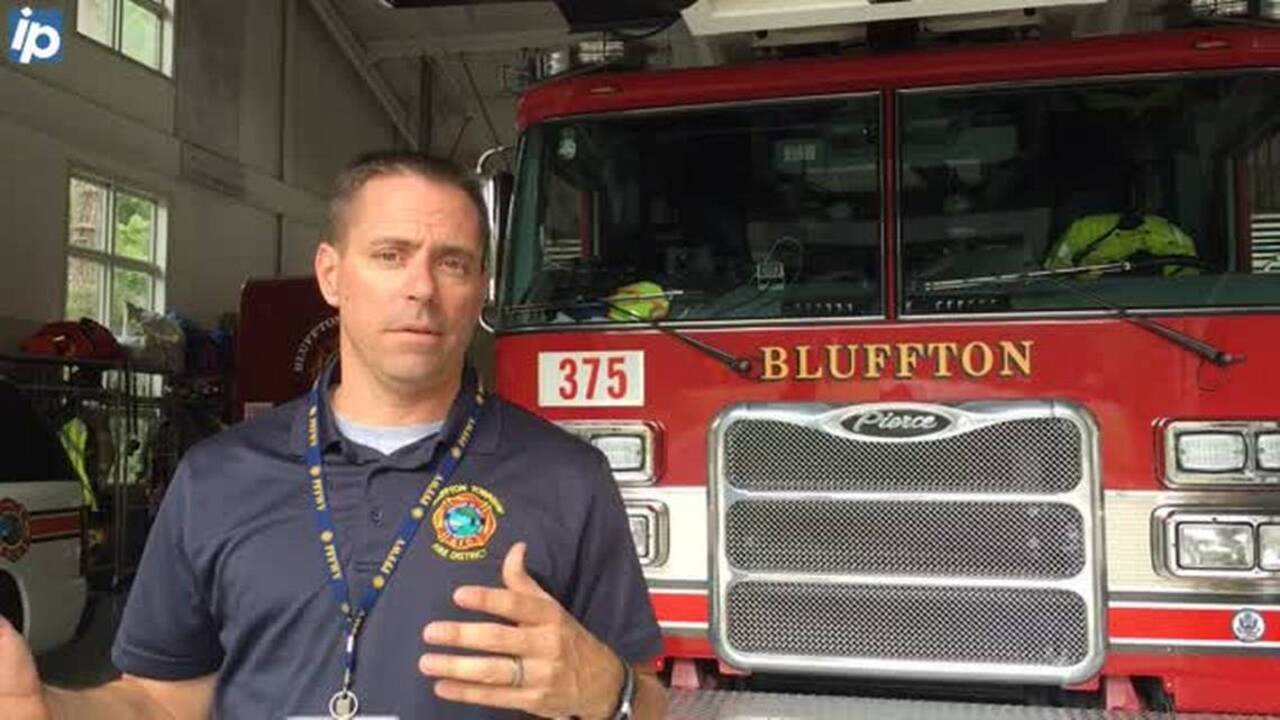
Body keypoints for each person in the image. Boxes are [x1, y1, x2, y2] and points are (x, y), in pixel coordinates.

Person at [0, 152, 666, 719]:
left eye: (453, 263)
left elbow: (648, 699)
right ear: (331, 274)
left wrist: (611, 692)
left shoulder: (567, 478)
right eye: (390, 254)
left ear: (480, 290)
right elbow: (159, 699)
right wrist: (52, 709)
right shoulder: (218, 477)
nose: (421, 288)